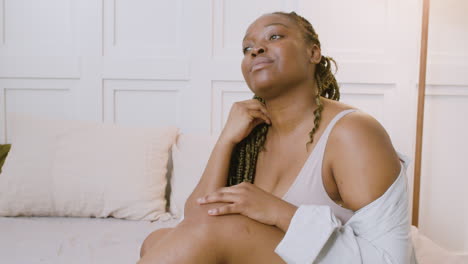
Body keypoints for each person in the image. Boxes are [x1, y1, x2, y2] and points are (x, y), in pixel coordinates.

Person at [138, 11, 415, 264]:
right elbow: (195, 222)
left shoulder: (353, 133)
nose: (256, 49)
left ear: (313, 52)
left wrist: (277, 211)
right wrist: (226, 141)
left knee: (214, 231)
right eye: (247, 48)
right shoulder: (251, 136)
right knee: (158, 240)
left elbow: (389, 260)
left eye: (275, 36)